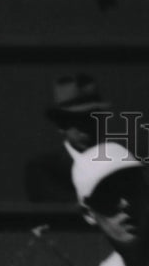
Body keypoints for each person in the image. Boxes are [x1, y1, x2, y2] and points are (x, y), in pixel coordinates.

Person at [24, 74, 111, 202]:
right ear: (61, 125)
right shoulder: (42, 170)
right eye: (77, 121)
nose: (86, 130)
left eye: (92, 120)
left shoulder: (119, 168)